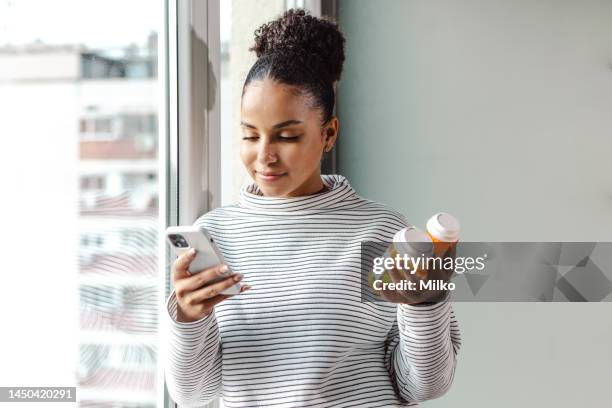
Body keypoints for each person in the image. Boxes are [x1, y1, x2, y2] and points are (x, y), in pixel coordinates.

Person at [163, 9, 461, 407]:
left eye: (286, 136)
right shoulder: (214, 235)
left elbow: (424, 386)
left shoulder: (380, 230)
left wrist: (425, 302)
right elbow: (194, 396)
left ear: (328, 134)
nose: (264, 155)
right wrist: (188, 317)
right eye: (250, 136)